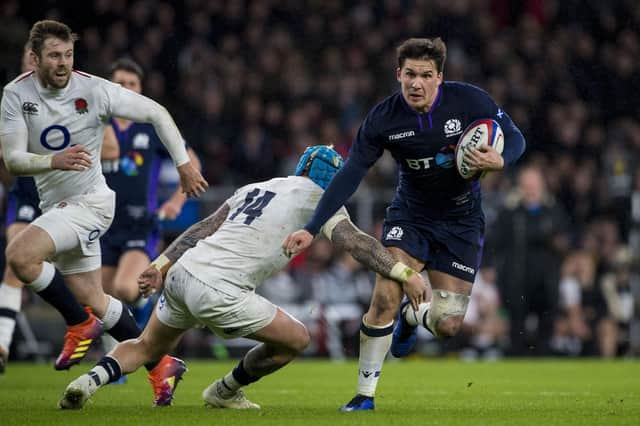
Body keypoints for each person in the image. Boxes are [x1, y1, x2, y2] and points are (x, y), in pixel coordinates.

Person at [58, 145, 427, 410]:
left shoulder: (258, 187)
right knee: (297, 339)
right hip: (219, 290)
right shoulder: (320, 198)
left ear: (300, 167)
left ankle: (86, 382)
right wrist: (403, 272)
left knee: (145, 346)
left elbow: (203, 227)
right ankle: (225, 390)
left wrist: (160, 264)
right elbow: (357, 244)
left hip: (184, 273)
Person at [283, 38, 526, 411]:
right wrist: (312, 228)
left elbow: (517, 139)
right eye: (409, 74)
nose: (417, 83)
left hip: (462, 221)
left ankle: (413, 318)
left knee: (447, 326)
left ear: (439, 78)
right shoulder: (384, 119)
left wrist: (501, 159)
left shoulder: (470, 101)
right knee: (385, 295)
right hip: (410, 218)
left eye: (426, 75)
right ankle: (364, 396)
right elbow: (350, 174)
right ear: (398, 74)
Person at [0, 20, 207, 405]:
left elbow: (158, 113)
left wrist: (183, 165)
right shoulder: (15, 94)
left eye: (68, 55)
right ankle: (162, 366)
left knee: (19, 255)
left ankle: (79, 325)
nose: (63, 63)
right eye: (54, 56)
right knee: (98, 297)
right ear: (34, 58)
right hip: (58, 205)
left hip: (92, 204)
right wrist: (53, 161)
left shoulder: (94, 89)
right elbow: (12, 159)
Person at [0, 41, 119, 373]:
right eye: (30, 59)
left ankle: (130, 354)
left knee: (91, 292)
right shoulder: (13, 100)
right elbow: (7, 158)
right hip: (28, 193)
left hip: (75, 195)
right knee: (18, 259)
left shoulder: (78, 98)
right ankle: (3, 342)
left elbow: (111, 148)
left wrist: (69, 148)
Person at [101, 58, 201, 326]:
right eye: (120, 83)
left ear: (140, 90)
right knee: (104, 300)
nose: (126, 88)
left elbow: (192, 163)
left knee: (125, 289)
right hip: (102, 224)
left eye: (132, 84)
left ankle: (147, 300)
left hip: (140, 224)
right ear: (108, 88)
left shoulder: (152, 125)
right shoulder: (95, 124)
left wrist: (176, 202)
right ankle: (116, 366)